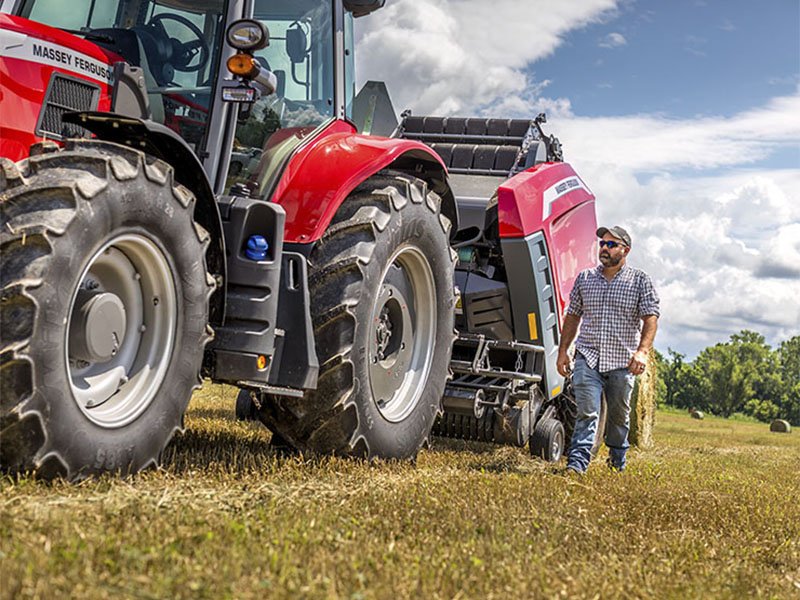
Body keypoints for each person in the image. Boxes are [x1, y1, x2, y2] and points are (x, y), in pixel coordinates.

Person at [556, 225, 660, 473]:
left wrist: (642, 351)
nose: (604, 248)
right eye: (602, 243)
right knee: (587, 412)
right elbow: (573, 316)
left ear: (626, 250)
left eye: (611, 244)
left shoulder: (639, 280)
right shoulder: (585, 278)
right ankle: (577, 464)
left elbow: (651, 318)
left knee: (618, 417)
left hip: (622, 363)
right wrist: (563, 351)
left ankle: (617, 460)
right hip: (587, 357)